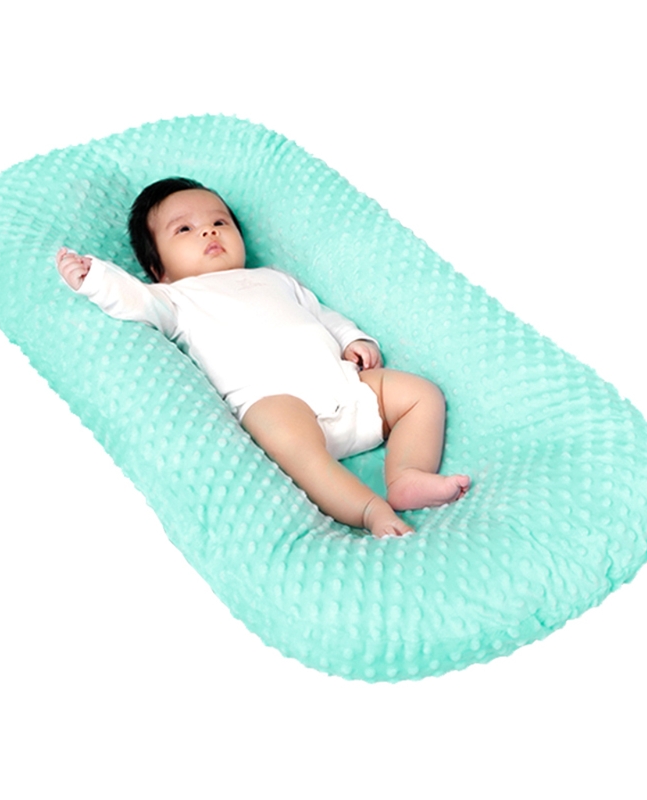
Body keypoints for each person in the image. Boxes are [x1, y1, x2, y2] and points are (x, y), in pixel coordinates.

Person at [56, 177, 470, 537]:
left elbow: (321, 313)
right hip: (278, 403)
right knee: (284, 435)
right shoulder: (174, 298)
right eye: (184, 229)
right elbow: (134, 299)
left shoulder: (274, 278)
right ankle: (367, 509)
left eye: (220, 222)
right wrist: (95, 278)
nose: (208, 231)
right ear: (157, 268)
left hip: (346, 384)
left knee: (420, 394)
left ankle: (407, 474)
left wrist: (352, 340)